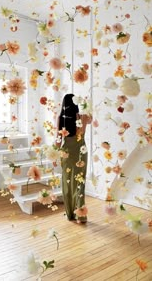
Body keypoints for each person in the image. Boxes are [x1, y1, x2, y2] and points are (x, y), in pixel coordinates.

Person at [56, 94, 92, 223]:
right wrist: (86, 105)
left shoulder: (61, 118)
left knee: (67, 182)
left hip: (66, 153)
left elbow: (58, 140)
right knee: (79, 183)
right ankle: (81, 216)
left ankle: (70, 214)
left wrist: (55, 153)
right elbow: (91, 119)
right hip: (81, 153)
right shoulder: (83, 117)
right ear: (76, 103)